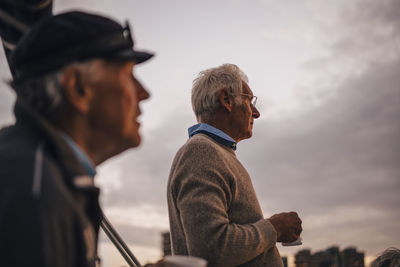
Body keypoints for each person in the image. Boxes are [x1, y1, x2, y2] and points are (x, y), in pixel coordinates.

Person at [0, 10, 155, 267]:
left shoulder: (45, 171)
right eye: (128, 75)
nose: (144, 93)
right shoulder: (34, 192)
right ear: (78, 88)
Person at [167, 63, 303, 267]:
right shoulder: (202, 152)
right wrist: (275, 228)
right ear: (226, 100)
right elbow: (211, 249)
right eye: (250, 101)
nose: (256, 113)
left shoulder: (215, 152)